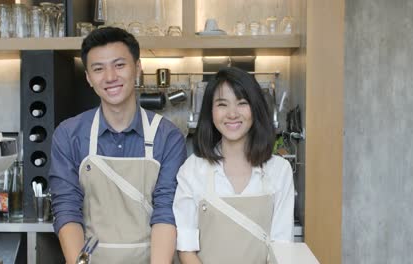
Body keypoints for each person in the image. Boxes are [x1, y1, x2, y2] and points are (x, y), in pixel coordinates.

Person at [49, 27, 187, 264]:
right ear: (89, 78)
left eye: (119, 65)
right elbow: (66, 209)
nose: (110, 76)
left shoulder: (168, 136)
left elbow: (166, 211)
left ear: (137, 68)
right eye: (98, 69)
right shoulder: (69, 135)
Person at [173, 67, 294, 264]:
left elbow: (281, 247)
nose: (232, 114)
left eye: (242, 103)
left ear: (255, 109)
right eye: (222, 104)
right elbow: (186, 250)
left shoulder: (279, 170)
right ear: (210, 111)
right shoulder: (193, 169)